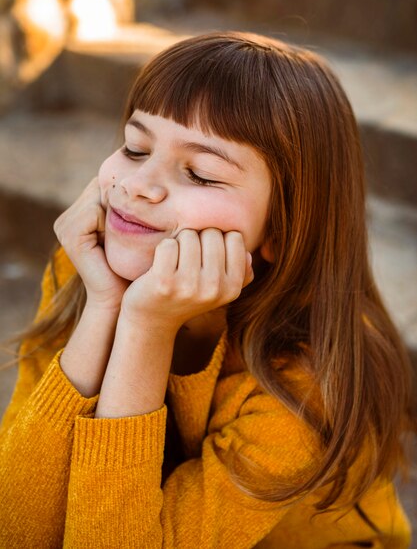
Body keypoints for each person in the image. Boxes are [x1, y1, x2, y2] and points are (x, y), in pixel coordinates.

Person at [0, 31, 414, 548]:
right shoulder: (84, 269)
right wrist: (106, 307)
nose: (137, 185)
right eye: (134, 148)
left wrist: (146, 328)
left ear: (281, 230)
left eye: (199, 173)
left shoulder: (306, 385)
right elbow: (17, 530)